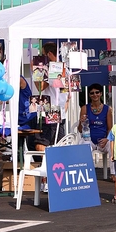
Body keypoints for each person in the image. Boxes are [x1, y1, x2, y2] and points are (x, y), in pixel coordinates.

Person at [30, 41, 69, 192]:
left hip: (50, 112)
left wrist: (38, 71)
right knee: (52, 144)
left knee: (43, 144)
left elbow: (40, 87)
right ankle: (51, 177)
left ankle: (47, 178)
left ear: (49, 55)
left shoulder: (56, 68)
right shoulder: (65, 69)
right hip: (56, 112)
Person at [77, 83, 114, 180]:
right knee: (84, 146)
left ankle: (114, 173)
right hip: (89, 139)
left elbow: (110, 128)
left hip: (103, 140)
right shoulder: (85, 108)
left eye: (97, 92)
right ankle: (86, 173)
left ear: (101, 93)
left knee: (113, 145)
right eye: (92, 93)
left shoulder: (107, 109)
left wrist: (107, 139)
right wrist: (81, 122)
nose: (95, 95)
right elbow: (80, 130)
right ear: (89, 95)